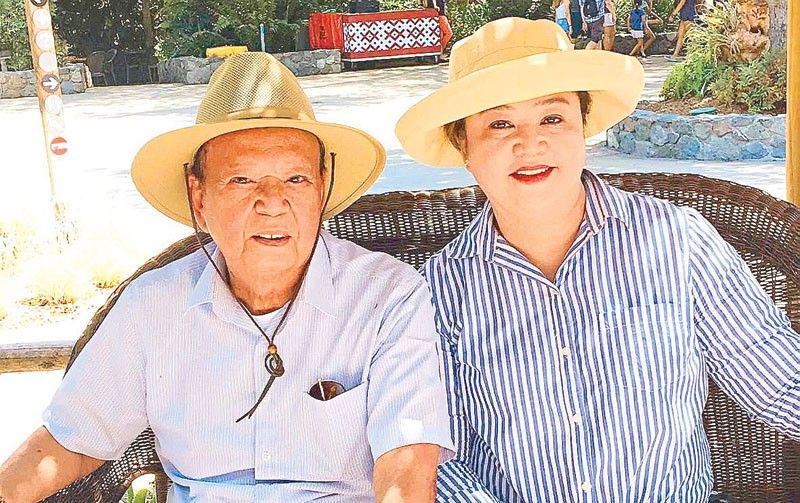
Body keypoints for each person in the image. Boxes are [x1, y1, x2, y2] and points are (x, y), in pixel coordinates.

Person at [0, 52, 454, 503]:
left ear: (322, 186)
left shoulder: (387, 294)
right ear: (199, 197)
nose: (272, 202)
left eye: (295, 179)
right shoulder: (153, 305)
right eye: (241, 180)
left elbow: (407, 459)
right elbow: (71, 440)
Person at [395, 17, 800, 502]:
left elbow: (779, 381)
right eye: (499, 123)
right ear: (465, 146)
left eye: (553, 117)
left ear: (583, 127)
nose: (531, 142)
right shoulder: (443, 287)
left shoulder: (676, 241)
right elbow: (445, 457)